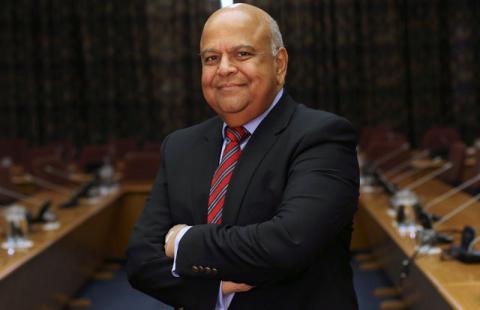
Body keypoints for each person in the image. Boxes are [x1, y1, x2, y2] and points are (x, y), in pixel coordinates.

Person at [127, 3, 359, 309]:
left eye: (242, 54)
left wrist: (183, 242)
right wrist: (215, 290)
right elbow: (141, 260)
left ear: (280, 64)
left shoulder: (322, 136)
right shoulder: (179, 146)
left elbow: (287, 244)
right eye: (211, 58)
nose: (224, 69)